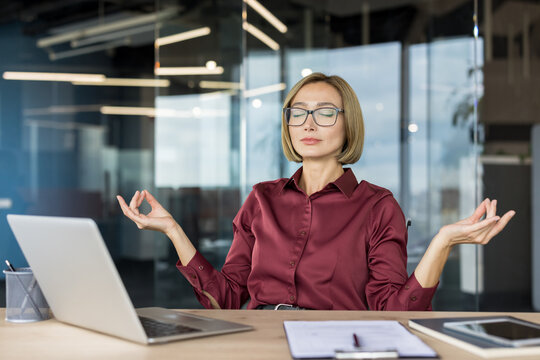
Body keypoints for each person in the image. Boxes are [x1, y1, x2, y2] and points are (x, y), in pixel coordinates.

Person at [117, 72, 515, 311]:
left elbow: (392, 309)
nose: (309, 123)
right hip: (259, 341)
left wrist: (443, 242)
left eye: (325, 112)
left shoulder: (378, 206)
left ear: (348, 125)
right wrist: (173, 231)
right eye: (298, 112)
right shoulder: (261, 199)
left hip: (335, 345)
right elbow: (228, 297)